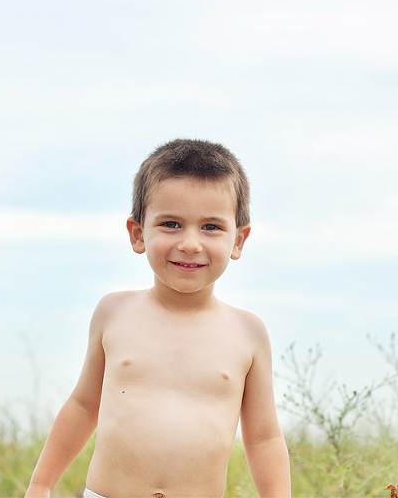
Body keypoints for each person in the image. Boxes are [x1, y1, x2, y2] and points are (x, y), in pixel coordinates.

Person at [24, 139, 291, 498]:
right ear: (138, 234)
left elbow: (263, 438)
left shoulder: (248, 333)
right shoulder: (114, 312)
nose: (191, 244)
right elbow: (84, 406)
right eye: (171, 224)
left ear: (238, 240)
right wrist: (40, 485)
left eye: (211, 227)